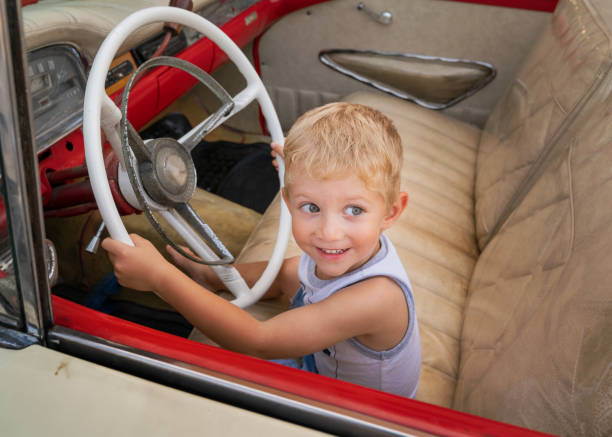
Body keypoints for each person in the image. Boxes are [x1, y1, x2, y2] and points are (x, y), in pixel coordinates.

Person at [102, 102, 421, 397]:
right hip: (327, 365)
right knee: (288, 270)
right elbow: (291, 263)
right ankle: (211, 277)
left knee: (199, 379)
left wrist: (160, 277)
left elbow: (259, 340)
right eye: (310, 206)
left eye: (353, 211)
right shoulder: (353, 250)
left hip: (354, 410)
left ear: (391, 212)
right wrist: (294, 164)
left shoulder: (376, 298)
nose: (328, 232)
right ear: (288, 199)